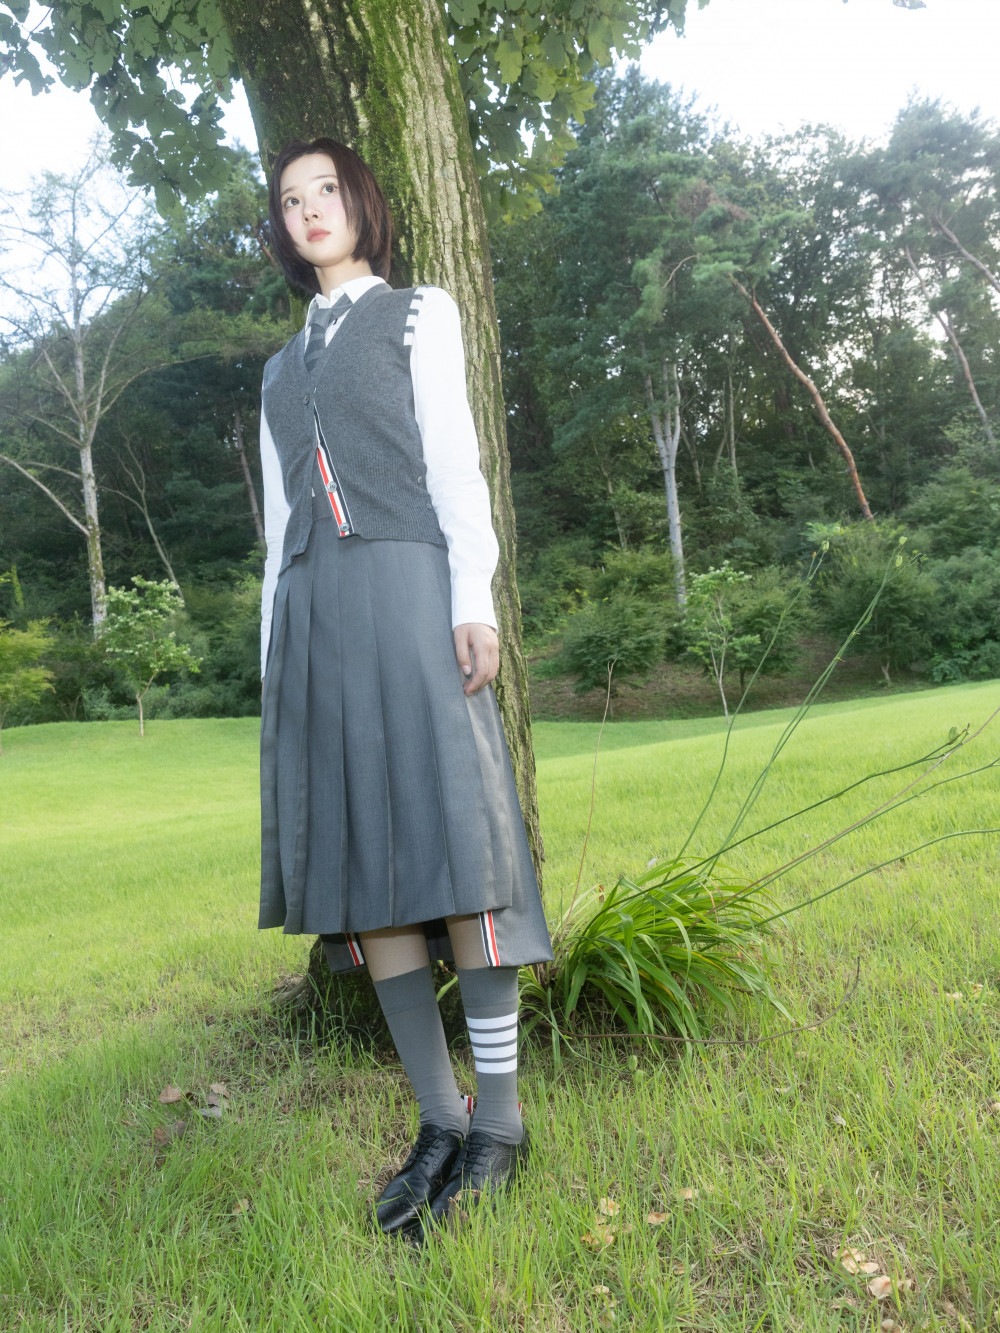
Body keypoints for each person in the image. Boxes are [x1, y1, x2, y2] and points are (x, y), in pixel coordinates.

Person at [256, 137, 553, 1241]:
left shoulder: (420, 313)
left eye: (326, 190)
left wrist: (473, 599)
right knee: (368, 870)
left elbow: (455, 463)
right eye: (291, 199)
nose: (309, 210)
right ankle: (438, 1117)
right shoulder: (277, 372)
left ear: (361, 203)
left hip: (412, 590)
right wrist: (274, 652)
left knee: (457, 846)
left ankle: (500, 1120)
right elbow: (278, 529)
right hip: (316, 617)